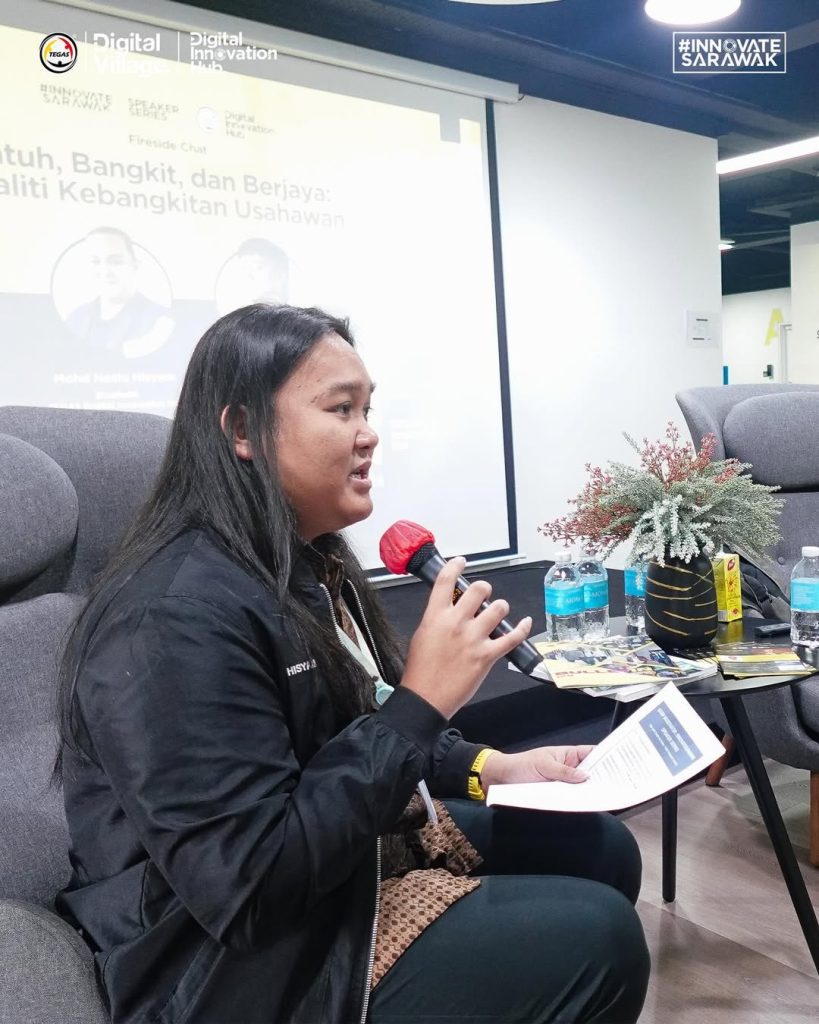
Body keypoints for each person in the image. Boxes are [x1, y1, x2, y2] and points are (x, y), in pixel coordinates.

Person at [55, 304, 650, 1024]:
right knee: (599, 940)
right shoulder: (170, 619)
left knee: (598, 847)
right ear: (242, 430)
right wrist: (421, 704)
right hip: (215, 962)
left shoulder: (306, 565)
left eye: (368, 409)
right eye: (341, 409)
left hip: (331, 863)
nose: (368, 434)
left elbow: (357, 720)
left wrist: (489, 767)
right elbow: (250, 888)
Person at [65, 226, 174, 358]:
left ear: (135, 265)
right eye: (95, 261)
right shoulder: (76, 318)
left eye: (115, 262)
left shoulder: (159, 320)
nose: (105, 271)